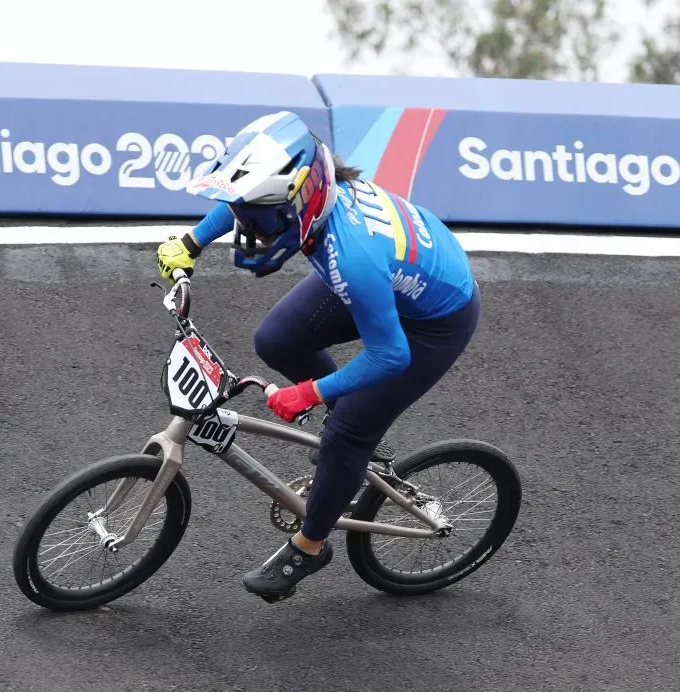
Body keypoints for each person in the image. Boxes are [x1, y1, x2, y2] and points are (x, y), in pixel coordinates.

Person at [155, 111, 481, 603]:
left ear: (299, 204)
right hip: (391, 279)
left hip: (433, 321)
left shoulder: (351, 256)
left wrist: (312, 391)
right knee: (277, 341)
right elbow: (242, 204)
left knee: (348, 432)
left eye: (263, 217)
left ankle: (309, 546)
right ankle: (348, 434)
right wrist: (190, 242)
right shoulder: (314, 205)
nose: (252, 229)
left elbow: (390, 356)